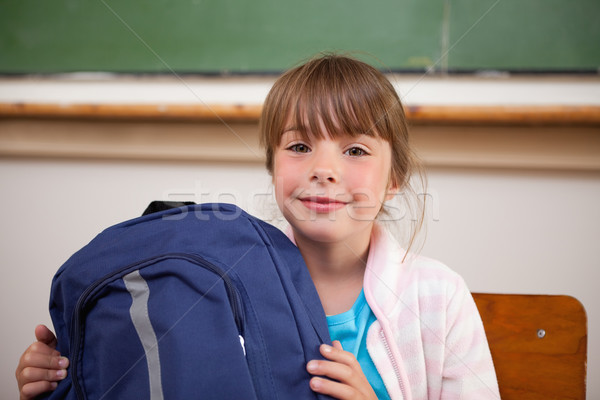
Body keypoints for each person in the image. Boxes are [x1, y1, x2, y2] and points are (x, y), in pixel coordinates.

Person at [16, 54, 499, 399]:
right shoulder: (220, 286)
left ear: (394, 180)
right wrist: (65, 375)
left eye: (354, 150)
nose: (323, 169)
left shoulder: (438, 298)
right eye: (299, 147)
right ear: (272, 169)